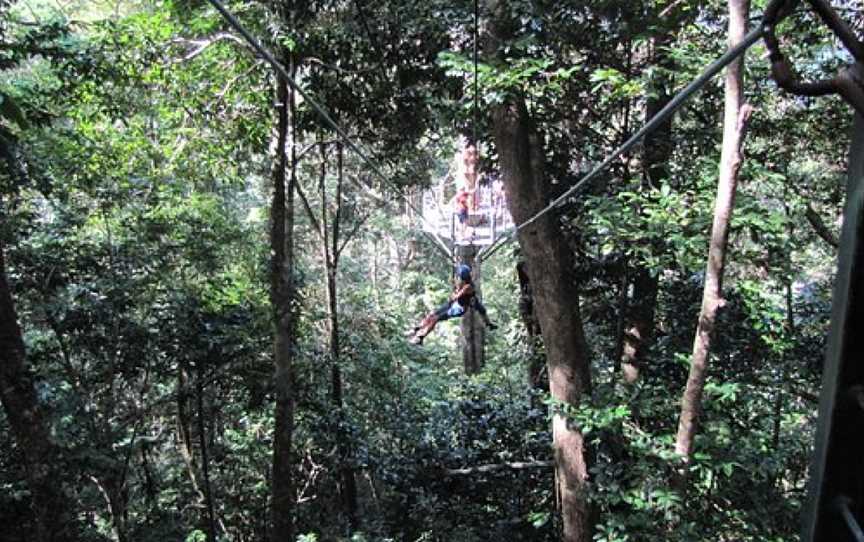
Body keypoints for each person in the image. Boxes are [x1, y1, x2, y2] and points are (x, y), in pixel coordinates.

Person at [407, 264, 497, 345]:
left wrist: (457, 289)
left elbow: (456, 297)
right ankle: (417, 329)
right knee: (432, 314)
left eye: (458, 276)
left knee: (436, 318)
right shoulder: (462, 284)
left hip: (459, 308)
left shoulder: (468, 287)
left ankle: (420, 337)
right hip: (453, 304)